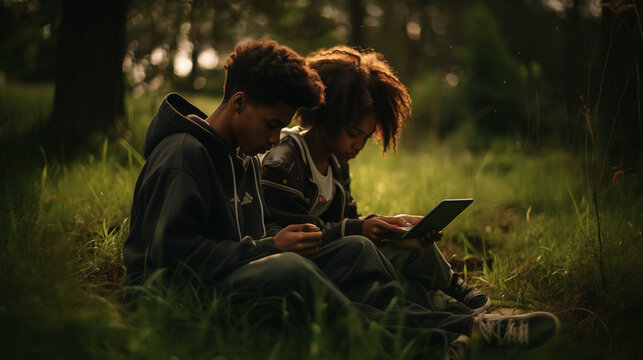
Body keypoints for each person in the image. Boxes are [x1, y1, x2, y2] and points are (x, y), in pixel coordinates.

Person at [123, 40, 560, 358]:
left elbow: (254, 235)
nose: (276, 137)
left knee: (355, 250)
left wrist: (291, 238)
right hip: (184, 290)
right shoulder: (184, 156)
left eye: (283, 127)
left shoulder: (243, 155)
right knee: (293, 270)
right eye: (273, 124)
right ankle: (435, 343)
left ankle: (470, 327)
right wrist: (270, 248)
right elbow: (168, 256)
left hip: (240, 266)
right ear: (239, 102)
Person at [261, 45, 488, 312]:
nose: (358, 145)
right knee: (365, 249)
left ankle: (448, 286)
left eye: (366, 137)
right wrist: (361, 229)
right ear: (327, 115)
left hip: (338, 253)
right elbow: (298, 237)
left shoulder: (336, 164)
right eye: (353, 133)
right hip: (306, 265)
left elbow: (345, 222)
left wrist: (387, 229)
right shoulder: (283, 165)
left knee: (401, 234)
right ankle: (431, 301)